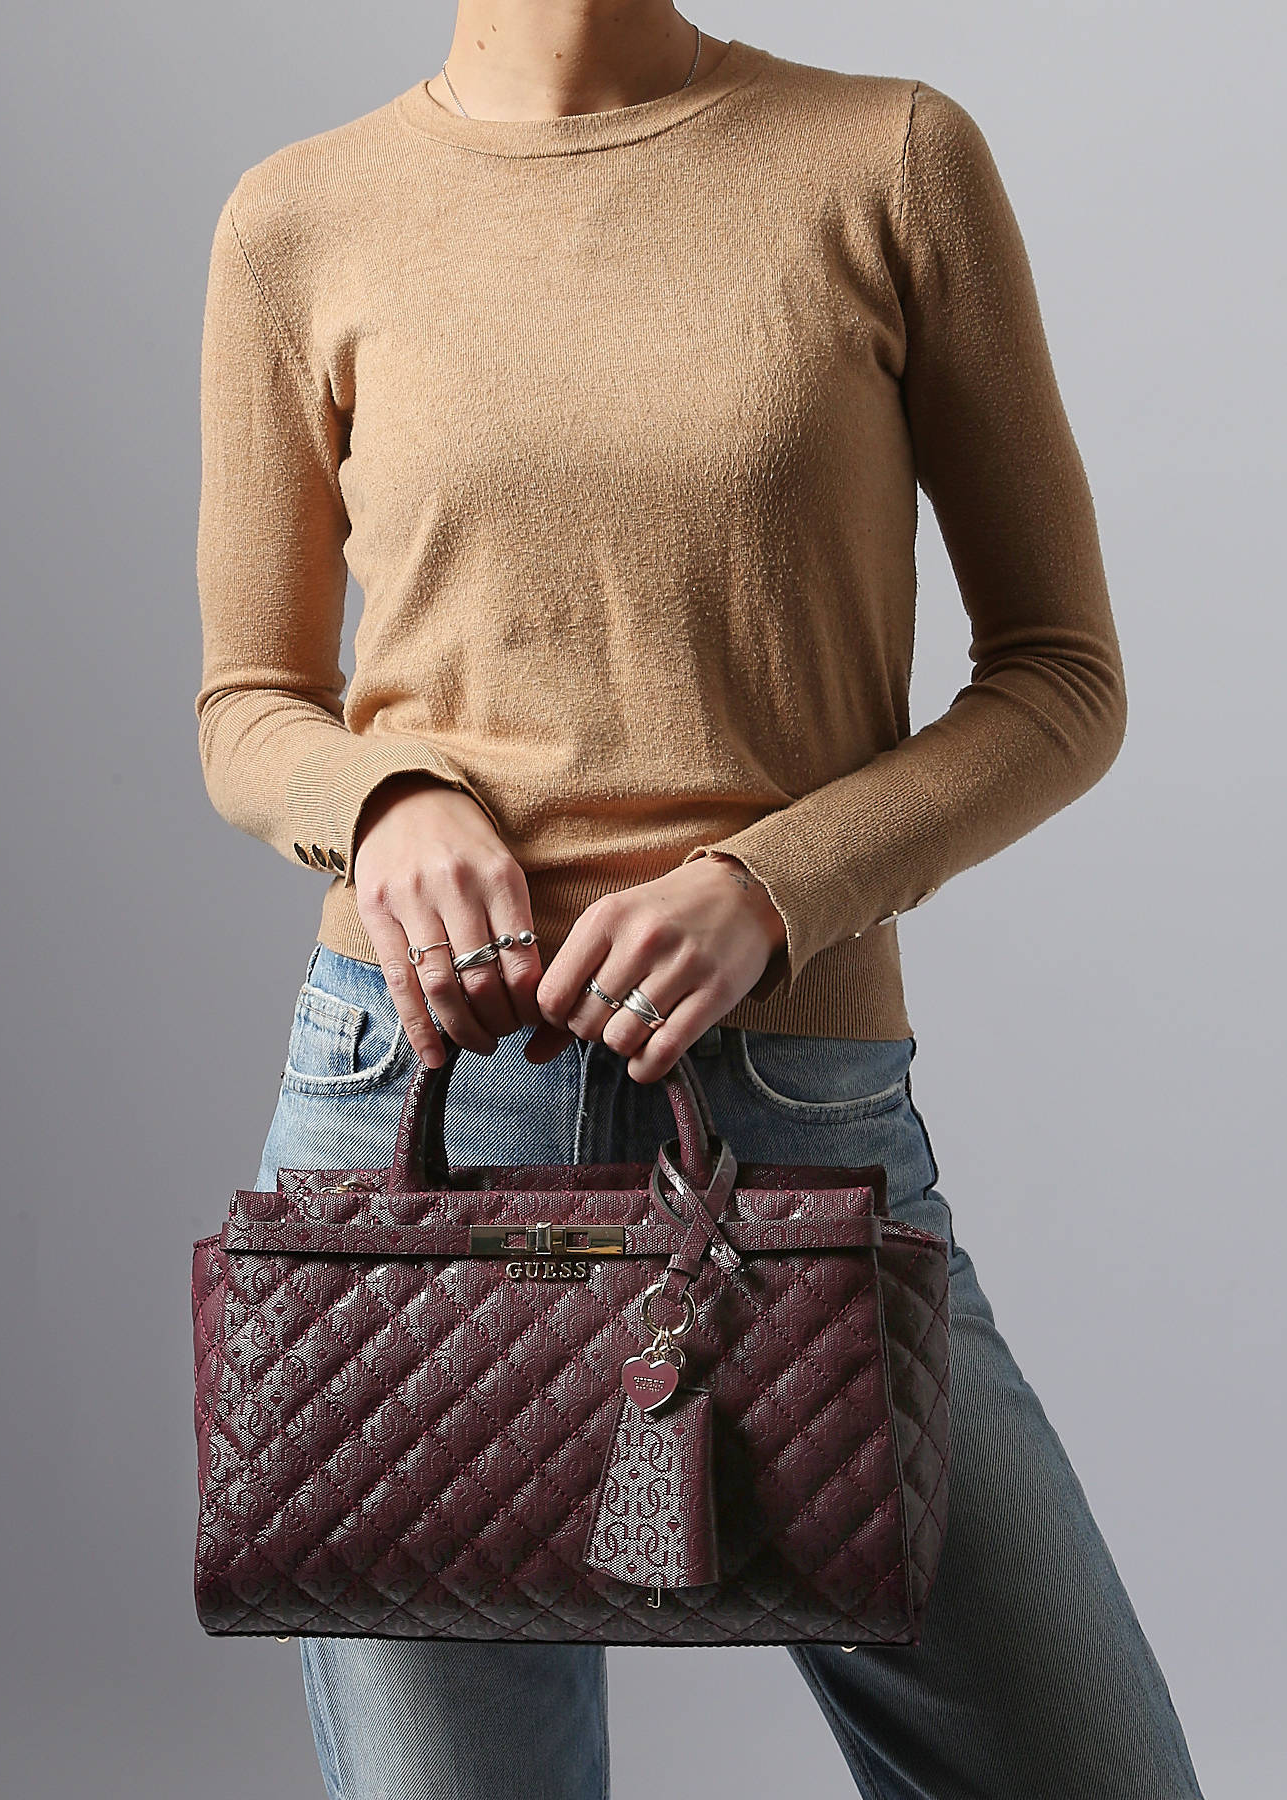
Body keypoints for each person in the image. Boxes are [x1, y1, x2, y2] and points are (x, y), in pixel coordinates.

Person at [194, 5, 1204, 1796]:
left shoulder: (887, 161)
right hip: (409, 1113)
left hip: (787, 1112)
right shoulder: (301, 214)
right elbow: (248, 706)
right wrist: (383, 802)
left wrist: (771, 885)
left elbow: (1062, 679)